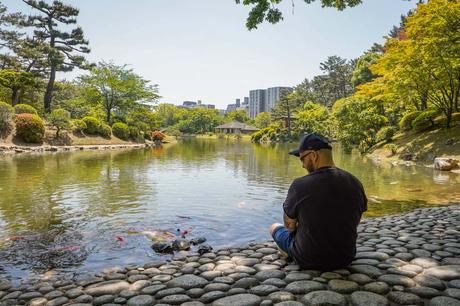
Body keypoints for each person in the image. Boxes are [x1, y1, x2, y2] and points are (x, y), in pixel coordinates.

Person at [269, 133, 367, 270]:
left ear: (314, 155)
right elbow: (355, 220)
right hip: (345, 257)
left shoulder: (299, 185)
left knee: (274, 227)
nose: (302, 165)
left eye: (302, 158)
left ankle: (289, 252)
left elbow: (289, 225)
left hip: (308, 258)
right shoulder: (355, 182)